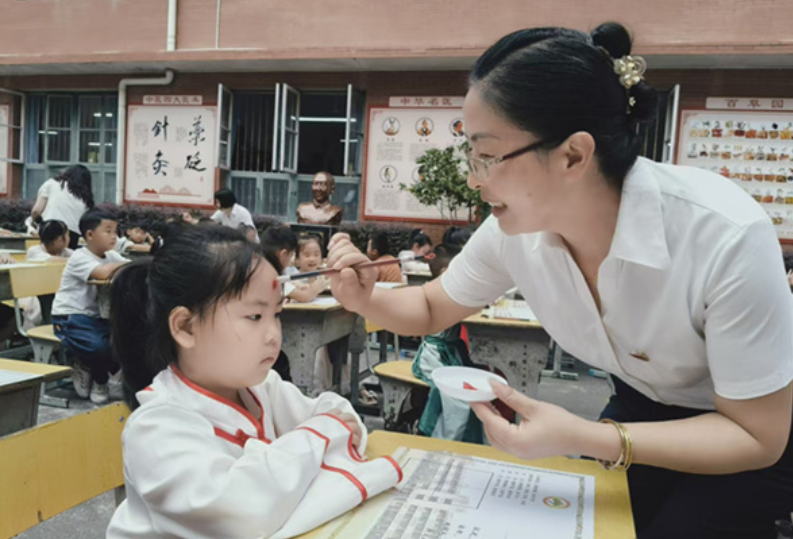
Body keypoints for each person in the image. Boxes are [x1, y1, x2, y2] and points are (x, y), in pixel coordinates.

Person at [327, 22, 793, 539]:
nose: (473, 178)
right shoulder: (514, 231)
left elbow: (758, 435)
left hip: (753, 427)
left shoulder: (723, 235)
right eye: (470, 156)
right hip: (641, 403)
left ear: (574, 154)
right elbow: (434, 306)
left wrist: (589, 436)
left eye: (488, 155)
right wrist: (363, 297)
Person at [106, 226, 401, 539]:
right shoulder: (156, 428)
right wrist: (321, 436)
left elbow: (338, 413)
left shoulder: (261, 388)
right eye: (255, 317)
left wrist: (318, 437)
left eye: (277, 313)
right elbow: (239, 514)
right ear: (186, 327)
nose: (275, 333)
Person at [52, 210, 128, 404]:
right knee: (99, 346)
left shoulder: (111, 256)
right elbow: (102, 274)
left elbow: (133, 268)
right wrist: (124, 265)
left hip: (99, 318)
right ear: (90, 235)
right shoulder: (79, 257)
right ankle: (98, 378)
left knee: (127, 338)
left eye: (116, 231)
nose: (114, 236)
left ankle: (92, 367)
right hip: (71, 316)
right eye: (108, 231)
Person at [411, 243, 483, 443]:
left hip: (450, 354)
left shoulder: (451, 295)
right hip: (433, 357)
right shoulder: (439, 297)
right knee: (455, 397)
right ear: (445, 273)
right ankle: (437, 438)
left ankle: (466, 440)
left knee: (474, 387)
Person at [30, 164, 95, 249]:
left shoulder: (51, 183)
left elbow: (36, 211)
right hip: (73, 235)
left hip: (50, 229)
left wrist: (36, 222)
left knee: (47, 257)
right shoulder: (86, 197)